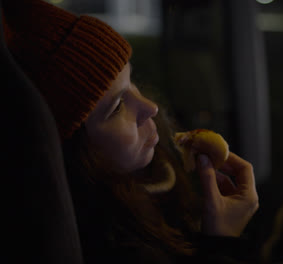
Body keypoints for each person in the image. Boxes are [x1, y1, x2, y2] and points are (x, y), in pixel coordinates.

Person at [2, 0, 259, 263]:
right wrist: (222, 241)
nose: (152, 107)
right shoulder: (102, 246)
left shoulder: (159, 180)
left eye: (132, 81)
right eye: (117, 106)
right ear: (70, 153)